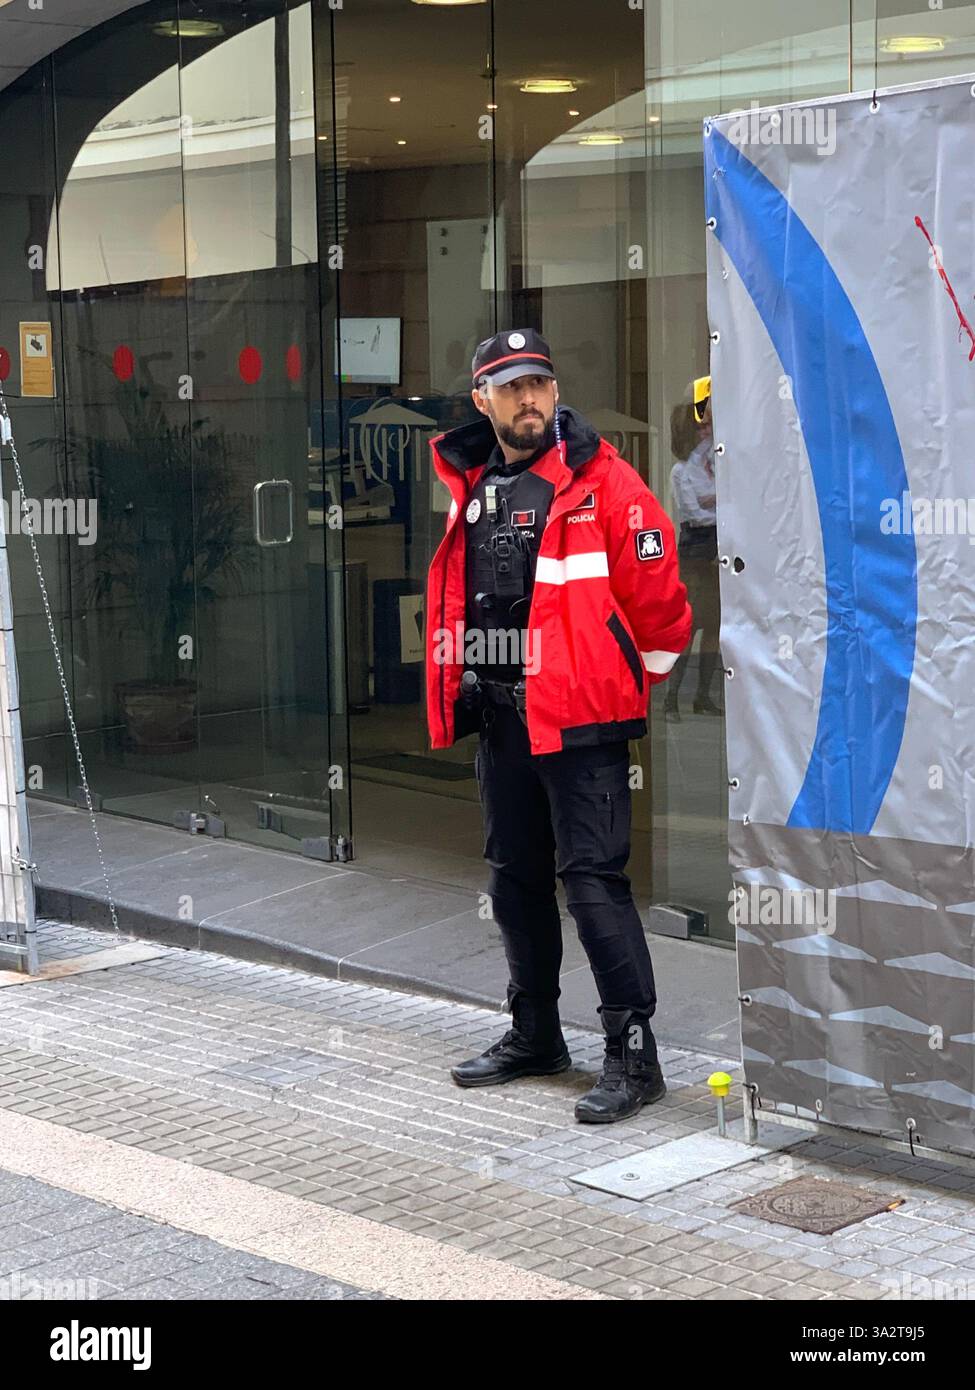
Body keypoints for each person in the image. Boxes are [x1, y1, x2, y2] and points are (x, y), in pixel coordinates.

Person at [424, 329, 692, 1123]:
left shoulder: (603, 481)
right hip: (503, 719)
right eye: (510, 387)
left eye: (538, 381)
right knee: (513, 880)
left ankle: (633, 1059)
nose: (529, 398)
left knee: (592, 887)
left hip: (582, 724)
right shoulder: (472, 482)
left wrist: (615, 679)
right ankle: (535, 1034)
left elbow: (662, 606)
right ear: (483, 399)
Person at [664, 376, 722, 721]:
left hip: (718, 550)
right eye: (700, 430)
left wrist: (714, 499)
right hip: (696, 550)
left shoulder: (715, 465)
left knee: (714, 627)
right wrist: (718, 499)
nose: (707, 435)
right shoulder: (681, 471)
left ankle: (703, 697)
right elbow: (694, 514)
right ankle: (672, 698)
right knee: (691, 626)